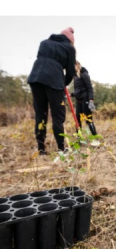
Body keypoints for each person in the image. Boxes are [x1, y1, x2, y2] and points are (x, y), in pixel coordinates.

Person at [28, 27, 76, 155]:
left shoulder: (44, 43)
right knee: (58, 116)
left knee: (41, 115)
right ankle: (61, 149)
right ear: (70, 40)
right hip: (54, 81)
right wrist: (63, 83)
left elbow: (42, 60)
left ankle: (41, 149)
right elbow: (71, 71)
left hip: (36, 78)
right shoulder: (70, 48)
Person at [71, 61, 97, 135]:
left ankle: (95, 137)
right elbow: (78, 90)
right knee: (77, 120)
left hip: (85, 99)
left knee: (88, 119)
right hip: (79, 101)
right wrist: (70, 94)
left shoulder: (84, 74)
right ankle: (79, 139)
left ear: (77, 65)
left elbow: (90, 88)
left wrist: (91, 100)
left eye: (73, 66)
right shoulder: (75, 76)